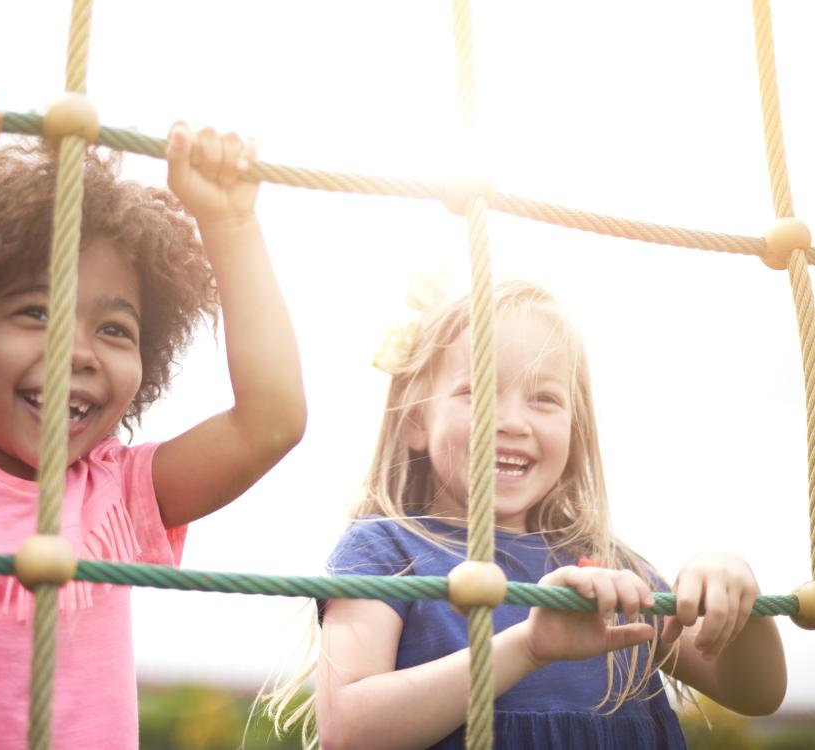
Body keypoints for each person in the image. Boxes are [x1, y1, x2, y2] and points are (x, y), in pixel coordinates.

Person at [0, 76, 306, 749]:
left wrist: (230, 223)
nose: (78, 353)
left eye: (115, 330)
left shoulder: (121, 493)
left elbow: (271, 420)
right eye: (35, 313)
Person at [266, 280, 785, 750]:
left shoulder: (604, 566)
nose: (511, 421)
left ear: (575, 430)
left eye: (544, 398)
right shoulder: (385, 552)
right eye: (477, 392)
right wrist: (527, 647)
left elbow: (756, 692)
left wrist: (734, 586)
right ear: (415, 420)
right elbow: (348, 730)